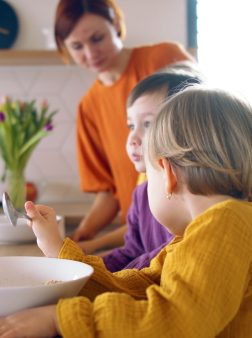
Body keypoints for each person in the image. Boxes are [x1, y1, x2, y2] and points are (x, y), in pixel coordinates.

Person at [0, 85, 252, 337]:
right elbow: (131, 291)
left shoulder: (226, 226)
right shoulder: (208, 232)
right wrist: (59, 250)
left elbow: (173, 321)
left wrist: (60, 319)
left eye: (149, 174)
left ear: (168, 174)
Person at [54, 0, 197, 245]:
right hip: (143, 238)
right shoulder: (89, 107)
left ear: (116, 24)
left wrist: (92, 246)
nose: (90, 53)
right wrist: (84, 232)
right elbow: (109, 193)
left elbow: (208, 125)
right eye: (77, 46)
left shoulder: (162, 59)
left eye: (97, 38)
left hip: (187, 228)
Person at [82, 64, 205, 271]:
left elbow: (166, 261)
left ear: (188, 129)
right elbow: (131, 254)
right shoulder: (141, 195)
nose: (132, 138)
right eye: (131, 125)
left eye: (148, 123)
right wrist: (80, 269)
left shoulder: (197, 198)